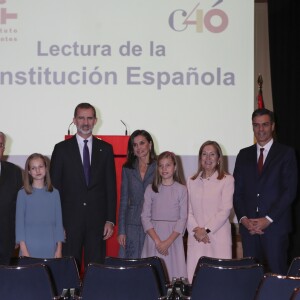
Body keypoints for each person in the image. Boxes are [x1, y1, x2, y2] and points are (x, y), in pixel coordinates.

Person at [50, 102, 116, 267]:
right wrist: (58, 223)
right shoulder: (61, 149)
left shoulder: (106, 149)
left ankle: (94, 294)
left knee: (96, 270)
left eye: (89, 118)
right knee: (68, 269)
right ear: (74, 120)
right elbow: (54, 189)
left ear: (95, 121)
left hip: (97, 222)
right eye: (81, 118)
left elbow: (110, 187)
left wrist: (110, 219)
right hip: (69, 222)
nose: (85, 122)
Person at [233, 108, 298, 274]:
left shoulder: (286, 153)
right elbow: (237, 192)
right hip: (249, 229)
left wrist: (268, 219)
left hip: (275, 227)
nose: (260, 129)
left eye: (265, 125)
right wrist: (244, 218)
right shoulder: (243, 154)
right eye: (256, 125)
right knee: (250, 278)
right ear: (252, 127)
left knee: (278, 277)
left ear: (273, 126)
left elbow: (290, 191)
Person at [186, 141, 234, 283]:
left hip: (218, 239)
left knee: (219, 282)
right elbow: (187, 211)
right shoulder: (191, 180)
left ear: (219, 158)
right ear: (200, 158)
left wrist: (205, 231)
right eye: (204, 154)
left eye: (212, 154)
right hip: (196, 239)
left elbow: (225, 210)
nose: (208, 158)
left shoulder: (227, 180)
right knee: (196, 282)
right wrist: (197, 230)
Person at [141, 151, 188, 280]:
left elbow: (182, 218)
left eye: (168, 165)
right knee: (153, 278)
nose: (164, 169)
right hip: (154, 238)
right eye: (161, 166)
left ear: (175, 167)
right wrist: (158, 242)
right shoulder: (151, 189)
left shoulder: (182, 190)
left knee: (173, 277)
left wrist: (167, 242)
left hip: (172, 239)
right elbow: (145, 217)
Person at [15, 153, 64, 258]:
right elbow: (19, 225)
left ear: (46, 168)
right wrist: (24, 251)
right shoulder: (22, 194)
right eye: (33, 168)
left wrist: (58, 250)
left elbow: (59, 224)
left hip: (51, 249)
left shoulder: (55, 193)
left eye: (40, 166)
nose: (38, 171)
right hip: (28, 250)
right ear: (29, 171)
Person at [117, 129, 156, 258]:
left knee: (150, 265)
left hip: (153, 224)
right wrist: (121, 231)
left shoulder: (159, 167)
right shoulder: (127, 168)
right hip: (131, 225)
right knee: (130, 265)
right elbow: (123, 201)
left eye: (142, 143)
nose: (139, 148)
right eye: (135, 145)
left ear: (150, 145)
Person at [0, 132, 23, 265]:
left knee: (5, 282)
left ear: (4, 148)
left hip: (6, 241)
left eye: (0, 145)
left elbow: (19, 207)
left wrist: (17, 236)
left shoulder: (14, 171)